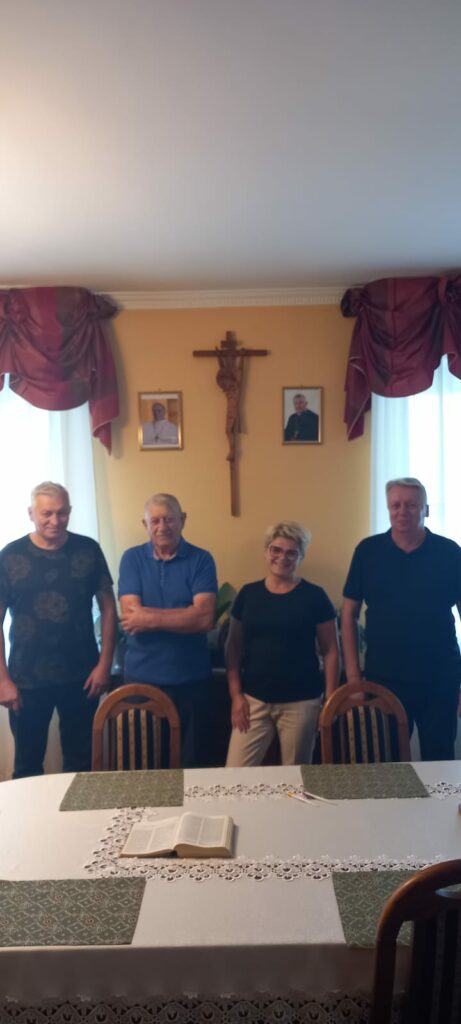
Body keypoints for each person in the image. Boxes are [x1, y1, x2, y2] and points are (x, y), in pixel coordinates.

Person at [0, 481, 117, 778]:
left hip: (83, 676)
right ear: (31, 513)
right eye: (47, 513)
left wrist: (104, 665)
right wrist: (2, 679)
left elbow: (108, 608)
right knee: (26, 767)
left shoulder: (88, 550)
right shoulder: (10, 556)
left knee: (81, 766)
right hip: (25, 679)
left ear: (70, 511)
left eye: (62, 513)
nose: (55, 520)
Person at [342, 477, 461, 760]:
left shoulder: (449, 552)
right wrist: (354, 678)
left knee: (440, 760)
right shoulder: (367, 551)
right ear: (388, 508)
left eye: (411, 505)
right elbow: (348, 615)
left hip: (440, 677)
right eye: (395, 505)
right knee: (387, 762)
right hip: (384, 678)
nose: (402, 511)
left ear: (425, 509)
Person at [226, 521, 339, 766]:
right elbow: (233, 647)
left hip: (301, 703)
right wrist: (236, 696)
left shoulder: (315, 596)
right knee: (234, 773)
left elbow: (331, 650)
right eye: (276, 550)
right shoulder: (248, 594)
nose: (282, 557)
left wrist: (330, 700)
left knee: (296, 778)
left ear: (301, 557)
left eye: (291, 553)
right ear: (266, 552)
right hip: (253, 701)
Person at [118, 493, 217, 767]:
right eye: (155, 521)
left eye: (169, 519)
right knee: (145, 765)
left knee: (193, 766)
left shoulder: (201, 559)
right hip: (141, 680)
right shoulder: (131, 559)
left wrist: (148, 619)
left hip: (191, 680)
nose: (163, 527)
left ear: (182, 520)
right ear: (145, 524)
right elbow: (130, 617)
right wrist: (185, 615)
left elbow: (204, 618)